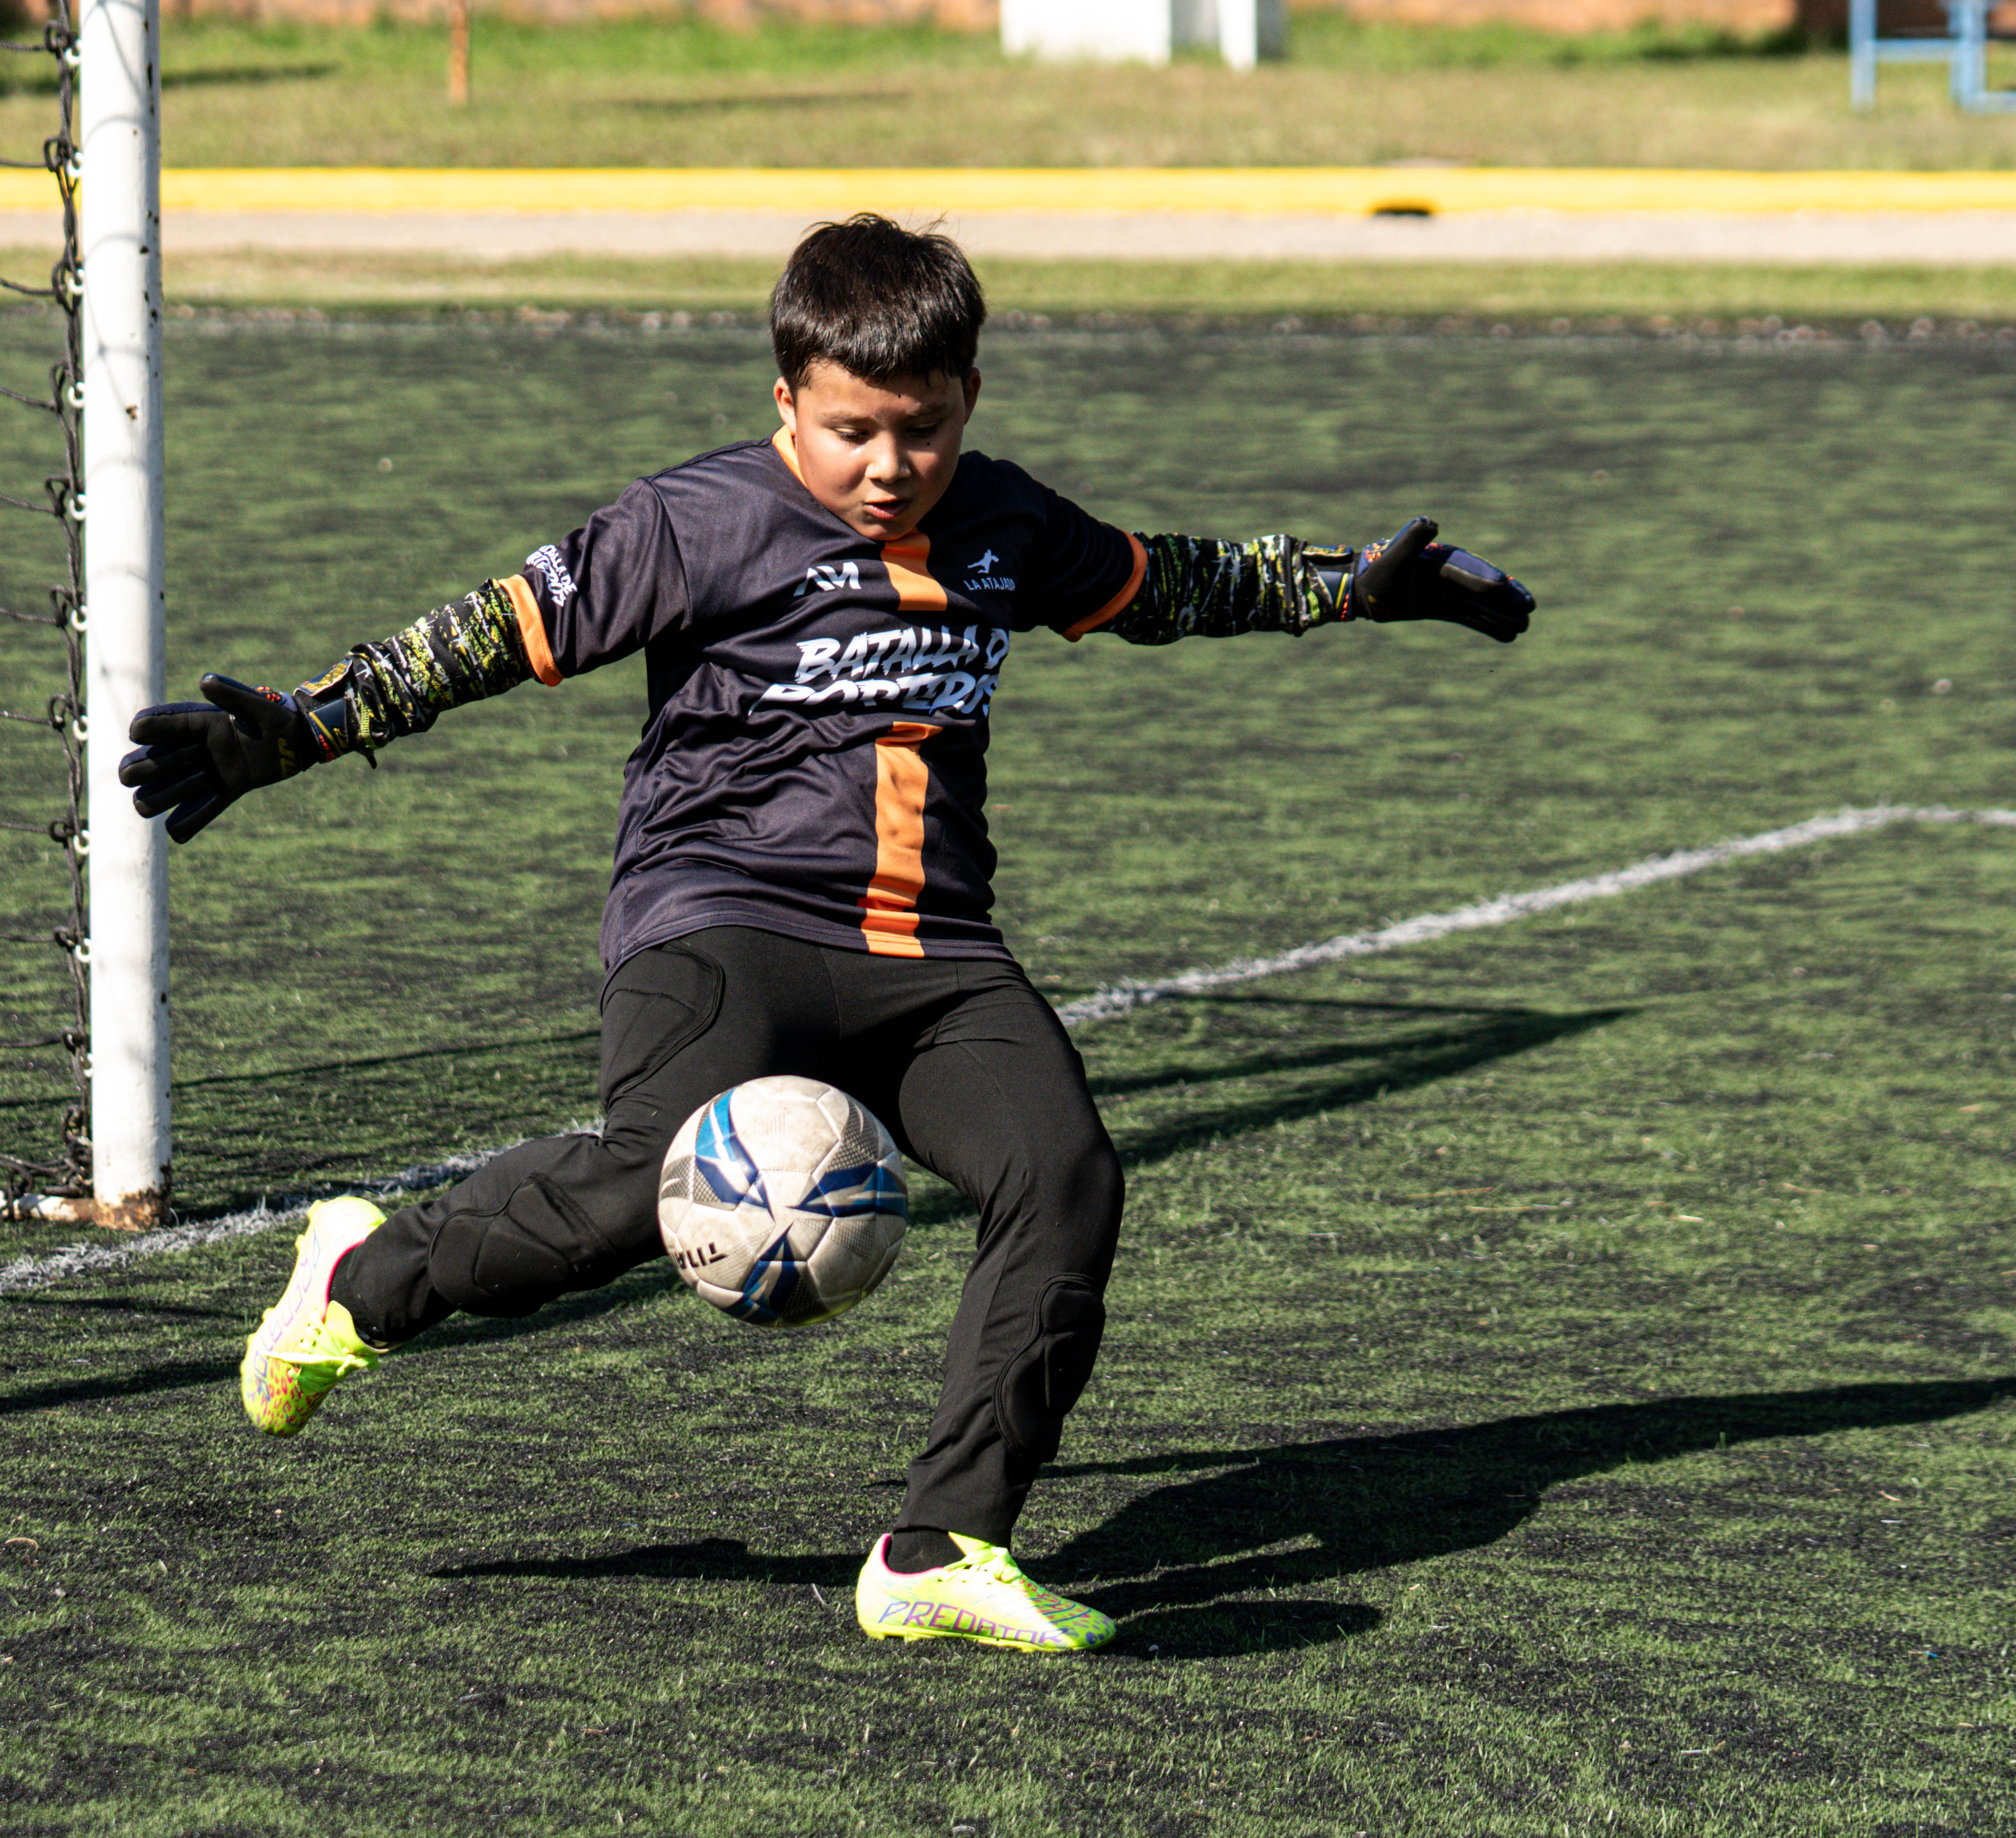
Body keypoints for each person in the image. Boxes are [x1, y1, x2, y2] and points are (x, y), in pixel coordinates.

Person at [118, 215, 1535, 1654]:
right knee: (636, 1192)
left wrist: (1346, 587)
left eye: (919, 431)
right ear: (785, 401)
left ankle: (939, 1549)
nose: (887, 466)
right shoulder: (693, 522)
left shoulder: (1006, 524)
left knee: (1066, 1177)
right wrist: (304, 729)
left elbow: (1163, 581)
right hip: (719, 919)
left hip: (935, 956)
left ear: (967, 401)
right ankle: (358, 1279)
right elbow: (487, 635)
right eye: (851, 430)